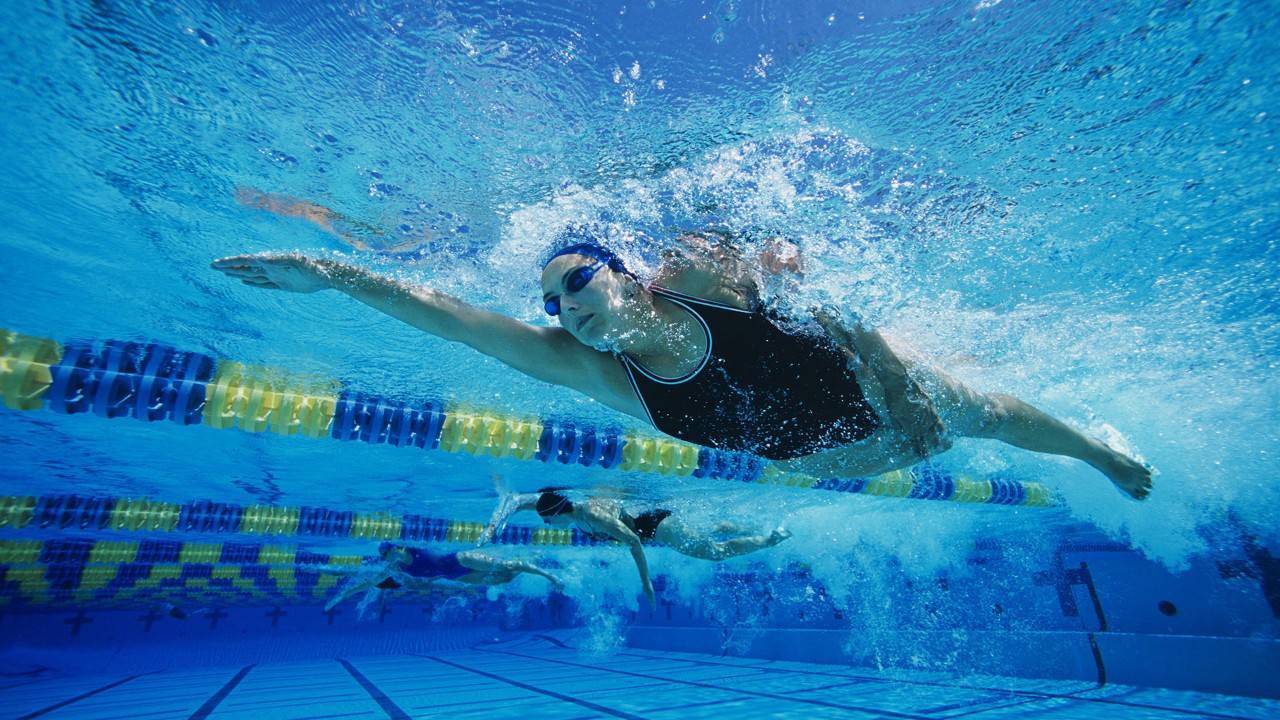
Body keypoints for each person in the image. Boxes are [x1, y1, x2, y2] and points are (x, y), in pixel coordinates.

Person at [211, 202, 1153, 500]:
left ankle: (1100, 449)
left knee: (982, 414)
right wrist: (335, 277)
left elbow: (832, 292)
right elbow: (456, 321)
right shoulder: (590, 367)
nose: (561, 307)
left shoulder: (705, 280)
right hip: (837, 451)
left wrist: (902, 396)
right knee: (967, 428)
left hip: (869, 380)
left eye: (575, 282)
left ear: (624, 277)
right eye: (548, 300)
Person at [481, 489, 791, 606]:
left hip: (655, 526)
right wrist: (493, 527)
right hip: (651, 530)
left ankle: (770, 538)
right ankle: (750, 525)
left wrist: (646, 582)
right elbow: (519, 500)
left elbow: (633, 542)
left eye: (547, 521)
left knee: (714, 552)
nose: (546, 526)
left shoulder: (593, 515)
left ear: (556, 514)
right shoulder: (561, 505)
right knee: (709, 532)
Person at [317, 543, 562, 616]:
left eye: (384, 553)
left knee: (507, 565)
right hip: (458, 576)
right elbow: (368, 584)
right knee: (504, 579)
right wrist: (338, 598)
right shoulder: (397, 567)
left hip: (462, 560)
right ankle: (531, 556)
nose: (383, 558)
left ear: (396, 547)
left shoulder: (415, 548)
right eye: (381, 556)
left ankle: (549, 574)